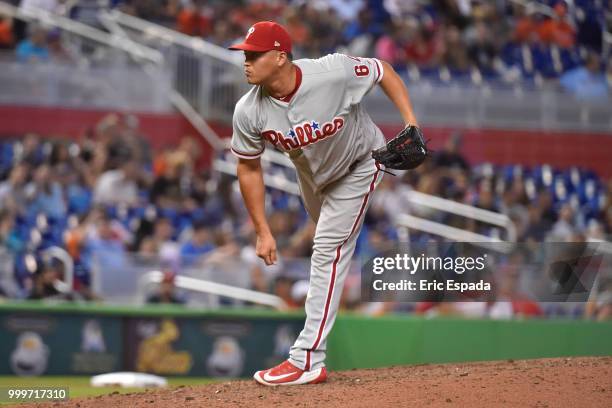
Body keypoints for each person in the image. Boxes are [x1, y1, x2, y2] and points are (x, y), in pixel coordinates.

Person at [228, 21, 420, 386]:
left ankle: (307, 359)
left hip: (362, 163)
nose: (246, 62)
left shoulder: (331, 72)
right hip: (314, 181)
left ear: (281, 57)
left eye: (254, 54)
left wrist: (410, 124)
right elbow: (248, 167)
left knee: (328, 248)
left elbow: (383, 71)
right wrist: (262, 230)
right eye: (245, 55)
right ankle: (337, 300)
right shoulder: (248, 110)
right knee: (331, 245)